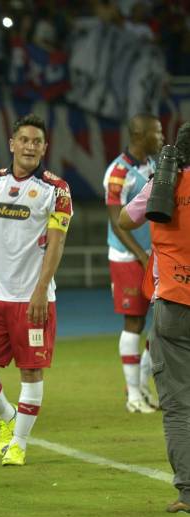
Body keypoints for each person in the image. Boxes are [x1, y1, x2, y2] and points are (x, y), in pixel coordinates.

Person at [0, 114, 73, 467]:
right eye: (24, 140)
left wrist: (40, 290)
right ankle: (7, 417)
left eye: (37, 141)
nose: (30, 146)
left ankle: (18, 442)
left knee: (31, 372)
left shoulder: (56, 189)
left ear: (44, 148)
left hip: (32, 298)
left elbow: (56, 244)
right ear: (12, 144)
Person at [119, 122, 190, 514]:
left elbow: (125, 221)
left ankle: (188, 493)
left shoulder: (164, 184)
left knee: (179, 407)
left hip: (175, 303)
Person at [103, 114, 163, 414]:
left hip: (154, 256)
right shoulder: (117, 172)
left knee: (163, 323)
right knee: (134, 322)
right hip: (127, 257)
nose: (162, 137)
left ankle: (141, 387)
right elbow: (117, 223)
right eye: (158, 132)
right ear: (140, 135)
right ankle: (133, 398)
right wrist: (141, 255)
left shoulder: (152, 165)